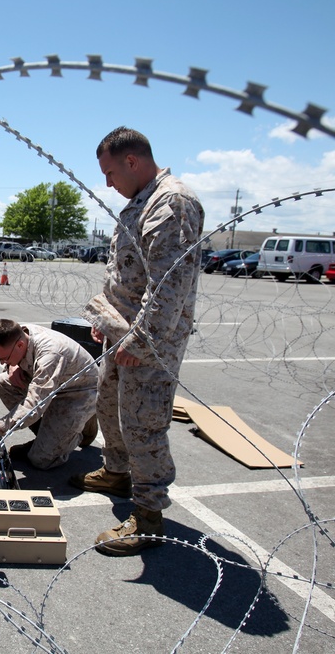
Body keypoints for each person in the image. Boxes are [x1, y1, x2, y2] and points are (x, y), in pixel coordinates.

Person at [72, 126, 204, 556]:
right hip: (120, 332)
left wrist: (141, 342)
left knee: (143, 425)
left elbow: (168, 286)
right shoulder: (139, 204)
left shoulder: (172, 203)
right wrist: (107, 321)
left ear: (132, 161)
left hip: (148, 342)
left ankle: (148, 516)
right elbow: (126, 273)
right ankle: (116, 470)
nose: (107, 184)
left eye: (110, 173)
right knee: (108, 404)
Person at [0, 319, 97, 469]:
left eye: (5, 359)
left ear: (20, 345)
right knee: (3, 382)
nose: (2, 363)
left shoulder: (50, 355)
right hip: (53, 384)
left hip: (78, 394)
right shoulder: (21, 335)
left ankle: (83, 426)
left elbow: (31, 409)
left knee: (42, 459)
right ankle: (46, 437)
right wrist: (11, 366)